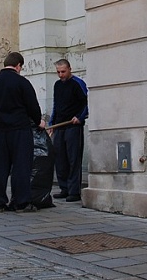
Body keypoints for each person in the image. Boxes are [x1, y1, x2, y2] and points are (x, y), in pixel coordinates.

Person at [0, 51, 44, 212]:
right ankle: (20, 202)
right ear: (18, 66)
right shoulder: (22, 83)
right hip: (20, 130)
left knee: (0, 167)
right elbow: (33, 106)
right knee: (21, 166)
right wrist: (38, 121)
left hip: (1, 131)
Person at [48, 59, 88, 202]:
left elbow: (86, 103)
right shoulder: (57, 85)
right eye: (58, 72)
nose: (60, 75)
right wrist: (52, 123)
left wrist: (80, 117)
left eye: (63, 72)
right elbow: (56, 106)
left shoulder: (78, 83)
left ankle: (74, 191)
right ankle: (64, 188)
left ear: (70, 69)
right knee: (60, 159)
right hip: (59, 126)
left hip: (73, 126)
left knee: (73, 159)